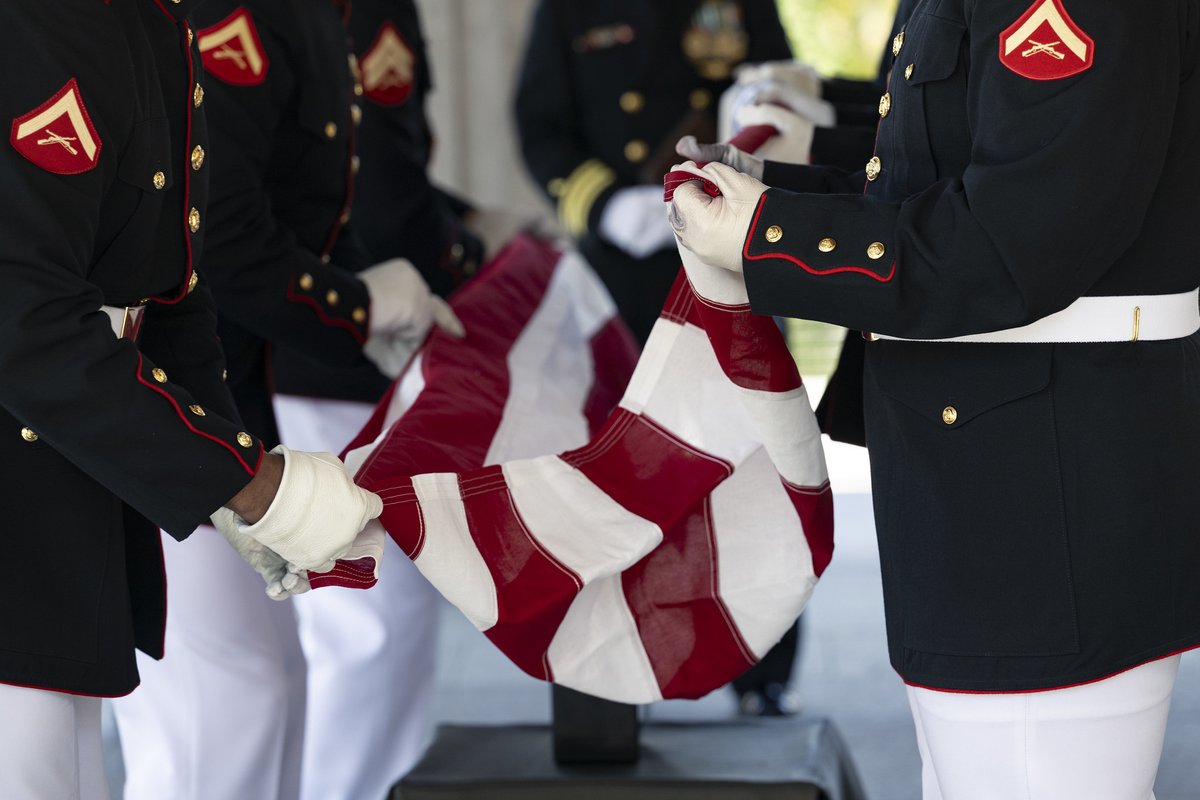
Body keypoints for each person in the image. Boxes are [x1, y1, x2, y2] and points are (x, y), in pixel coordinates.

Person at [670, 0, 1200, 796]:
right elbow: (924, 183)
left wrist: (770, 235)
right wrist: (769, 190)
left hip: (1045, 497)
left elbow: (1015, 238)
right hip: (994, 482)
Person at [0, 2, 384, 798]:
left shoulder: (148, 24)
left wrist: (233, 472)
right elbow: (22, 318)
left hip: (65, 492)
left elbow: (167, 292)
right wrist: (250, 485)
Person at [111, 2, 462, 798]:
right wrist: (357, 308)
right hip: (147, 405)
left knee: (272, 686)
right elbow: (223, 238)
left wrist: (377, 295)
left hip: (225, 402)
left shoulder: (310, 14)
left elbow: (320, 206)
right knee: (222, 706)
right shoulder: (228, 15)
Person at [515, 0, 793, 346]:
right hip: (623, 261)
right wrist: (607, 207)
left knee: (749, 368)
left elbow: (778, 92)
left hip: (731, 244)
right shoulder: (566, 8)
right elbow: (541, 129)